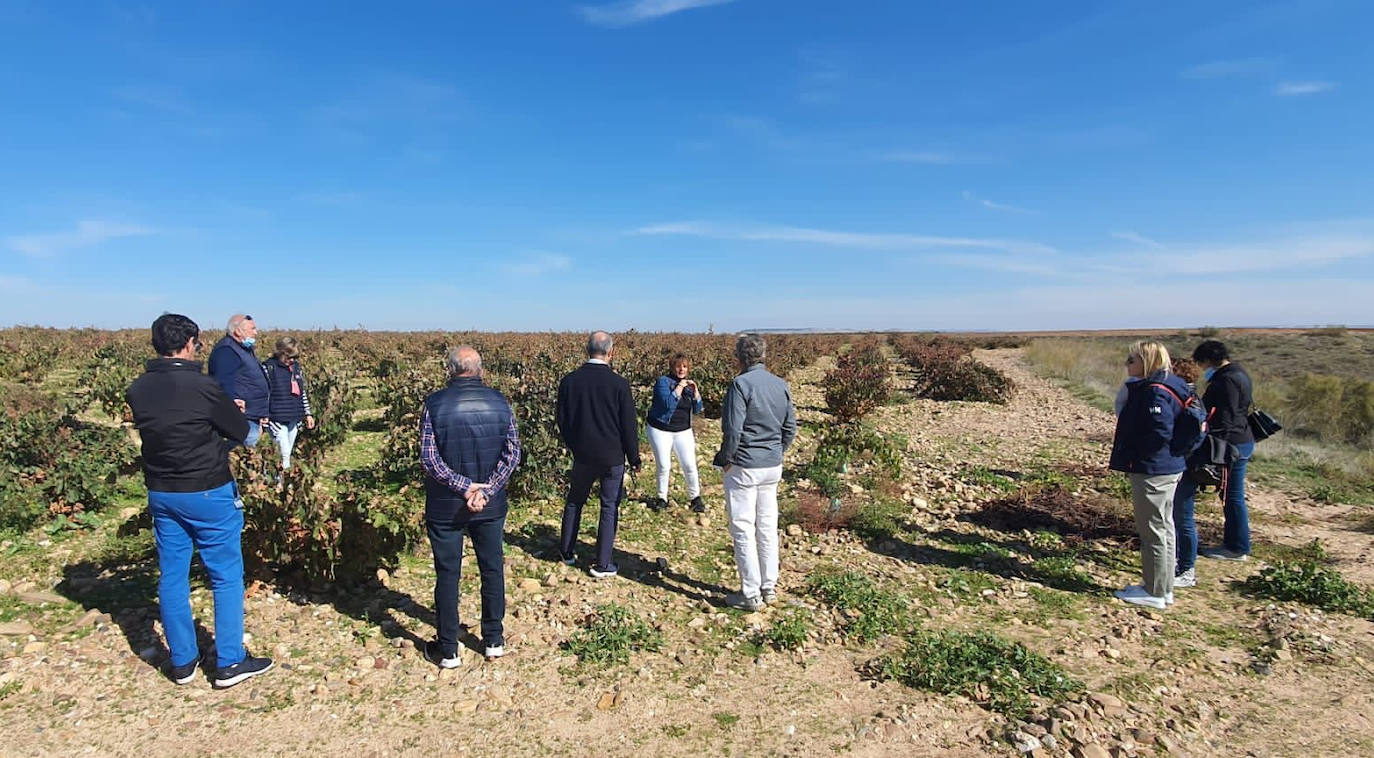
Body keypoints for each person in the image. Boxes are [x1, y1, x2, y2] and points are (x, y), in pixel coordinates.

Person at [125, 313, 273, 688]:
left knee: (172, 574)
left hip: (162, 492)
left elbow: (169, 428)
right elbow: (245, 435)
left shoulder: (138, 388)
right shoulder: (204, 387)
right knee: (225, 575)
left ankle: (183, 661)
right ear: (190, 343)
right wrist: (237, 417)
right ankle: (228, 662)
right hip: (207, 489)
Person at [419, 346, 521, 668]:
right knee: (491, 569)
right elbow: (512, 453)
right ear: (480, 369)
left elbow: (429, 458)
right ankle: (493, 640)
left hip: (445, 507)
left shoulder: (433, 405)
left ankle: (449, 649)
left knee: (447, 574)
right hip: (489, 507)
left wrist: (464, 488)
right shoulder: (500, 403)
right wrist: (486, 490)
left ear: (450, 369)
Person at [713, 334, 797, 611]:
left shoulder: (740, 385)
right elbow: (790, 428)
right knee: (767, 526)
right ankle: (768, 586)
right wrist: (776, 452)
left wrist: (726, 458)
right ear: (763, 355)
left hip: (745, 466)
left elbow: (733, 429)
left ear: (740, 358)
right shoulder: (780, 384)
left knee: (743, 528)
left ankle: (750, 593)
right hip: (771, 465)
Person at [1108, 341, 1191, 610]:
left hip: (1153, 469)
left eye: (1132, 359)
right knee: (1164, 528)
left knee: (1153, 529)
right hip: (1169, 467)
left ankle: (1154, 591)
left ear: (1147, 360)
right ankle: (1162, 588)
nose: (1127, 364)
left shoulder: (1154, 392)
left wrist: (1137, 455)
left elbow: (1159, 432)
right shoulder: (1171, 383)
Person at [555, 331, 641, 578]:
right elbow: (628, 426)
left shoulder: (570, 381)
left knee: (574, 501)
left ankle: (567, 552)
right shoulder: (619, 384)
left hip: (582, 454)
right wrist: (634, 457)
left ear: (587, 350)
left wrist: (574, 444)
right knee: (609, 506)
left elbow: (563, 419)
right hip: (611, 456)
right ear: (611, 352)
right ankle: (602, 563)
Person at [1184, 339, 1257, 567]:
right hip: (1240, 440)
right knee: (1231, 495)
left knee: (1232, 496)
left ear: (1208, 359)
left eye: (1202, 363)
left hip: (1231, 445)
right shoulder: (1239, 373)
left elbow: (1223, 417)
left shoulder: (1226, 380)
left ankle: (1237, 547)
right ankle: (1235, 543)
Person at [646, 354, 705, 513]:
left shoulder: (689, 386)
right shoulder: (663, 382)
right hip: (661, 429)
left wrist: (696, 393)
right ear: (672, 367)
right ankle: (661, 498)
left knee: (689, 465)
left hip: (682, 430)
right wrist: (679, 387)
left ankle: (695, 498)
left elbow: (698, 409)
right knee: (664, 465)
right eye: (678, 366)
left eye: (685, 367)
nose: (681, 369)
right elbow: (667, 404)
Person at [208, 314, 269, 447]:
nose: (256, 332)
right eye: (252, 329)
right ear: (238, 331)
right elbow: (223, 383)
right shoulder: (227, 351)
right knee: (246, 455)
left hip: (253, 415)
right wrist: (232, 405)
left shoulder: (244, 349)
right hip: (242, 419)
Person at [263, 336, 315, 470]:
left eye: (294, 357)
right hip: (276, 418)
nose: (291, 360)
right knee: (283, 453)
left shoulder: (296, 368)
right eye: (289, 357)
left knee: (286, 453)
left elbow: (301, 392)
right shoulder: (268, 367)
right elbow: (263, 394)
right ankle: (282, 484)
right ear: (280, 352)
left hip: (294, 416)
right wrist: (263, 415)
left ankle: (278, 480)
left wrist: (307, 414)